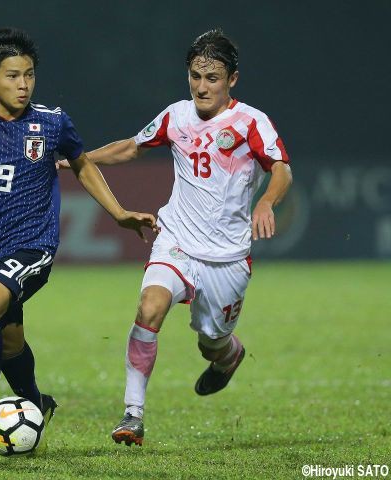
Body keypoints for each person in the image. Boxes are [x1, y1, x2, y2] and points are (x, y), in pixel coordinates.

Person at [0, 27, 158, 449]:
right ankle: (36, 403)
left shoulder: (52, 123)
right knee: (9, 340)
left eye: (29, 75)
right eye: (13, 76)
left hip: (34, 244)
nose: (23, 85)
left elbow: (84, 165)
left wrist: (119, 213)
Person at [60, 28, 292, 446]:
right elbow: (133, 146)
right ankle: (133, 415)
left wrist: (266, 203)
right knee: (150, 308)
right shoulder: (176, 115)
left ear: (232, 80)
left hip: (227, 257)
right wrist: (77, 160)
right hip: (177, 239)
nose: (202, 87)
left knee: (212, 343)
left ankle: (228, 355)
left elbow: (281, 169)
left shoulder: (250, 122)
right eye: (195, 76)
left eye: (213, 78)